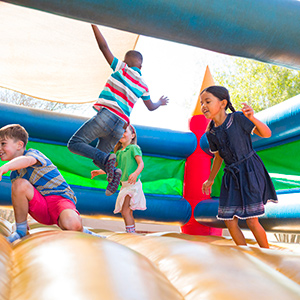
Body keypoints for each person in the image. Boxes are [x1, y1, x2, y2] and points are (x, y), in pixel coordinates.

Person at [68, 24, 168, 197]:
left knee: (75, 143)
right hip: (121, 125)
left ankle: (109, 165)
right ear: (141, 67)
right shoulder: (143, 85)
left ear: (125, 61)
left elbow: (103, 47)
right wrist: (159, 102)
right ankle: (114, 173)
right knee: (100, 157)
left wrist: (93, 24)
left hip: (106, 116)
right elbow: (150, 107)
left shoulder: (122, 68)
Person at [201, 86, 277, 248]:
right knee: (229, 221)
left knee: (252, 220)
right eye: (202, 103)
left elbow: (266, 133)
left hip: (249, 170)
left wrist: (252, 118)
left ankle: (268, 255)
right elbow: (218, 157)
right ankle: (245, 255)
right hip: (232, 176)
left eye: (208, 101)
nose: (203, 106)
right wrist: (210, 179)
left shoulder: (237, 118)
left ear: (223, 103)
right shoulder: (211, 133)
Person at [0, 124, 103, 242]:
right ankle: (20, 231)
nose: (0, 147)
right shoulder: (15, 175)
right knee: (19, 184)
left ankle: (83, 230)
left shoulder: (33, 154)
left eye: (3, 143)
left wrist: (5, 167)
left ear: (19, 145)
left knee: (72, 225)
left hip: (60, 200)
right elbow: (23, 199)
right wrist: (21, 221)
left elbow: (27, 161)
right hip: (41, 208)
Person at [91, 125, 146, 233]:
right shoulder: (119, 152)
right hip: (125, 185)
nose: (122, 134)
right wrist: (99, 171)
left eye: (125, 131)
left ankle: (131, 234)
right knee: (126, 212)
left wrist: (135, 173)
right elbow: (113, 168)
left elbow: (141, 164)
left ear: (132, 135)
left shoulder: (134, 148)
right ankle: (131, 232)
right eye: (120, 132)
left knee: (125, 211)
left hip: (133, 185)